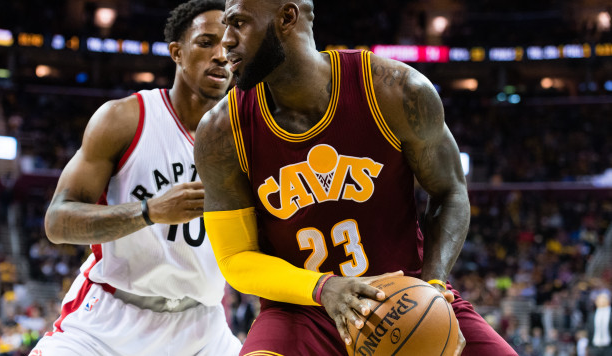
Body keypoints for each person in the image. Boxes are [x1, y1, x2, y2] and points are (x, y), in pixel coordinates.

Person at [194, 0, 518, 355]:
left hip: (405, 295)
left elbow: (450, 191)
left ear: (287, 17)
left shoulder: (395, 90)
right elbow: (235, 258)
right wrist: (324, 288)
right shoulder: (222, 131)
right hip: (302, 312)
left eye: (238, 23)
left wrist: (434, 284)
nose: (226, 40)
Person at [29, 1, 241, 355]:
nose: (220, 55)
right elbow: (58, 221)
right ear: (177, 52)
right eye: (206, 42)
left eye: (229, 47)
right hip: (109, 323)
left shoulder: (245, 136)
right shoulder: (124, 119)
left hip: (203, 330)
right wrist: (149, 212)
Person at [588, 291, 612, 356]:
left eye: (603, 299)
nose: (601, 302)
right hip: (595, 348)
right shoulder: (592, 315)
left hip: (609, 348)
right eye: (599, 300)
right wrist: (589, 347)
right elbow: (589, 332)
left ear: (608, 301)